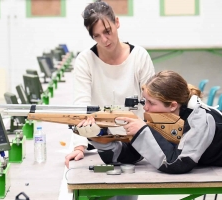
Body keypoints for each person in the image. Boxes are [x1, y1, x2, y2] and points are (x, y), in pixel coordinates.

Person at [88, 70, 222, 174]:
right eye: (145, 101)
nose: (145, 108)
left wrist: (142, 131)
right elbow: (130, 157)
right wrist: (98, 138)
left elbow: (177, 163)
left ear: (172, 105)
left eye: (151, 103)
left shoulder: (200, 120)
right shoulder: (168, 119)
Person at [65, 0, 155, 168]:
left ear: (117, 22)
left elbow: (154, 103)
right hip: (100, 144)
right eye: (97, 36)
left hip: (137, 143)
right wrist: (79, 146)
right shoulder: (86, 60)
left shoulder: (139, 56)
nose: (105, 40)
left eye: (107, 31)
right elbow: (81, 106)